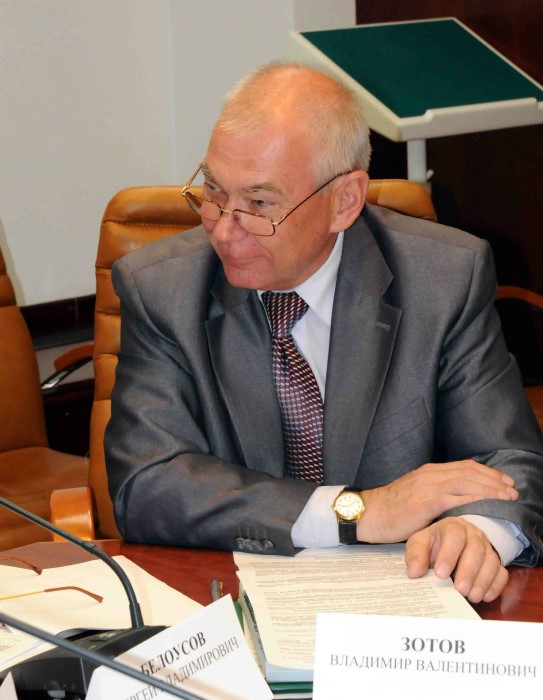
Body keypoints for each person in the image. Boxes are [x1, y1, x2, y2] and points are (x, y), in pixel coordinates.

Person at [105, 62, 543, 605]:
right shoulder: (162, 289)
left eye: (260, 204)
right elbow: (147, 483)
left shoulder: (445, 278)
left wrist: (476, 531)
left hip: (403, 604)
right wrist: (356, 511)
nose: (223, 227)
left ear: (344, 201)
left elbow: (507, 458)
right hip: (227, 598)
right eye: (213, 190)